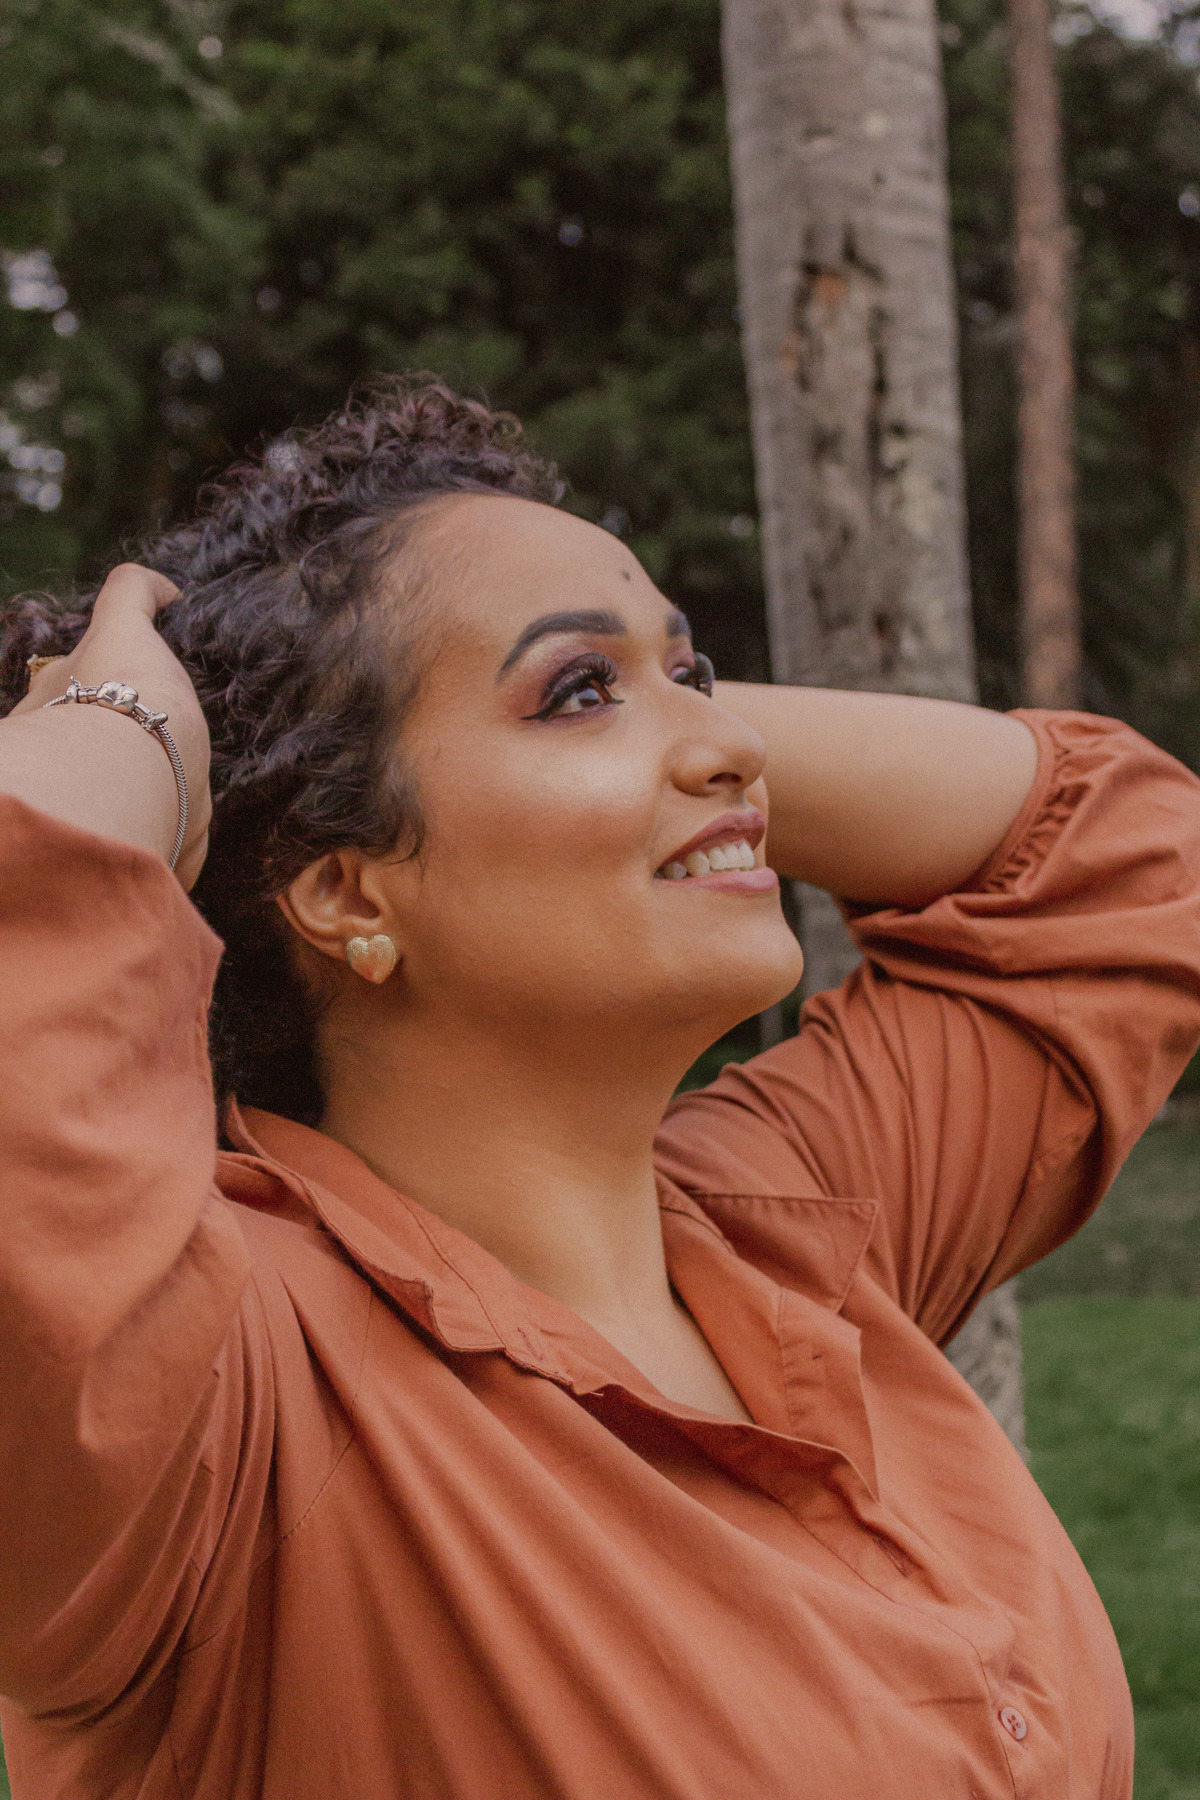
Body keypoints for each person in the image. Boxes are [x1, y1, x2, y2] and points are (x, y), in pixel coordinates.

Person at [0, 377, 1197, 1800]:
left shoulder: (794, 1222)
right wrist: (132, 716)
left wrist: (649, 722)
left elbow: (1117, 858)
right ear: (341, 891)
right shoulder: (235, 1416)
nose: (735, 742)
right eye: (575, 694)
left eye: (691, 674)